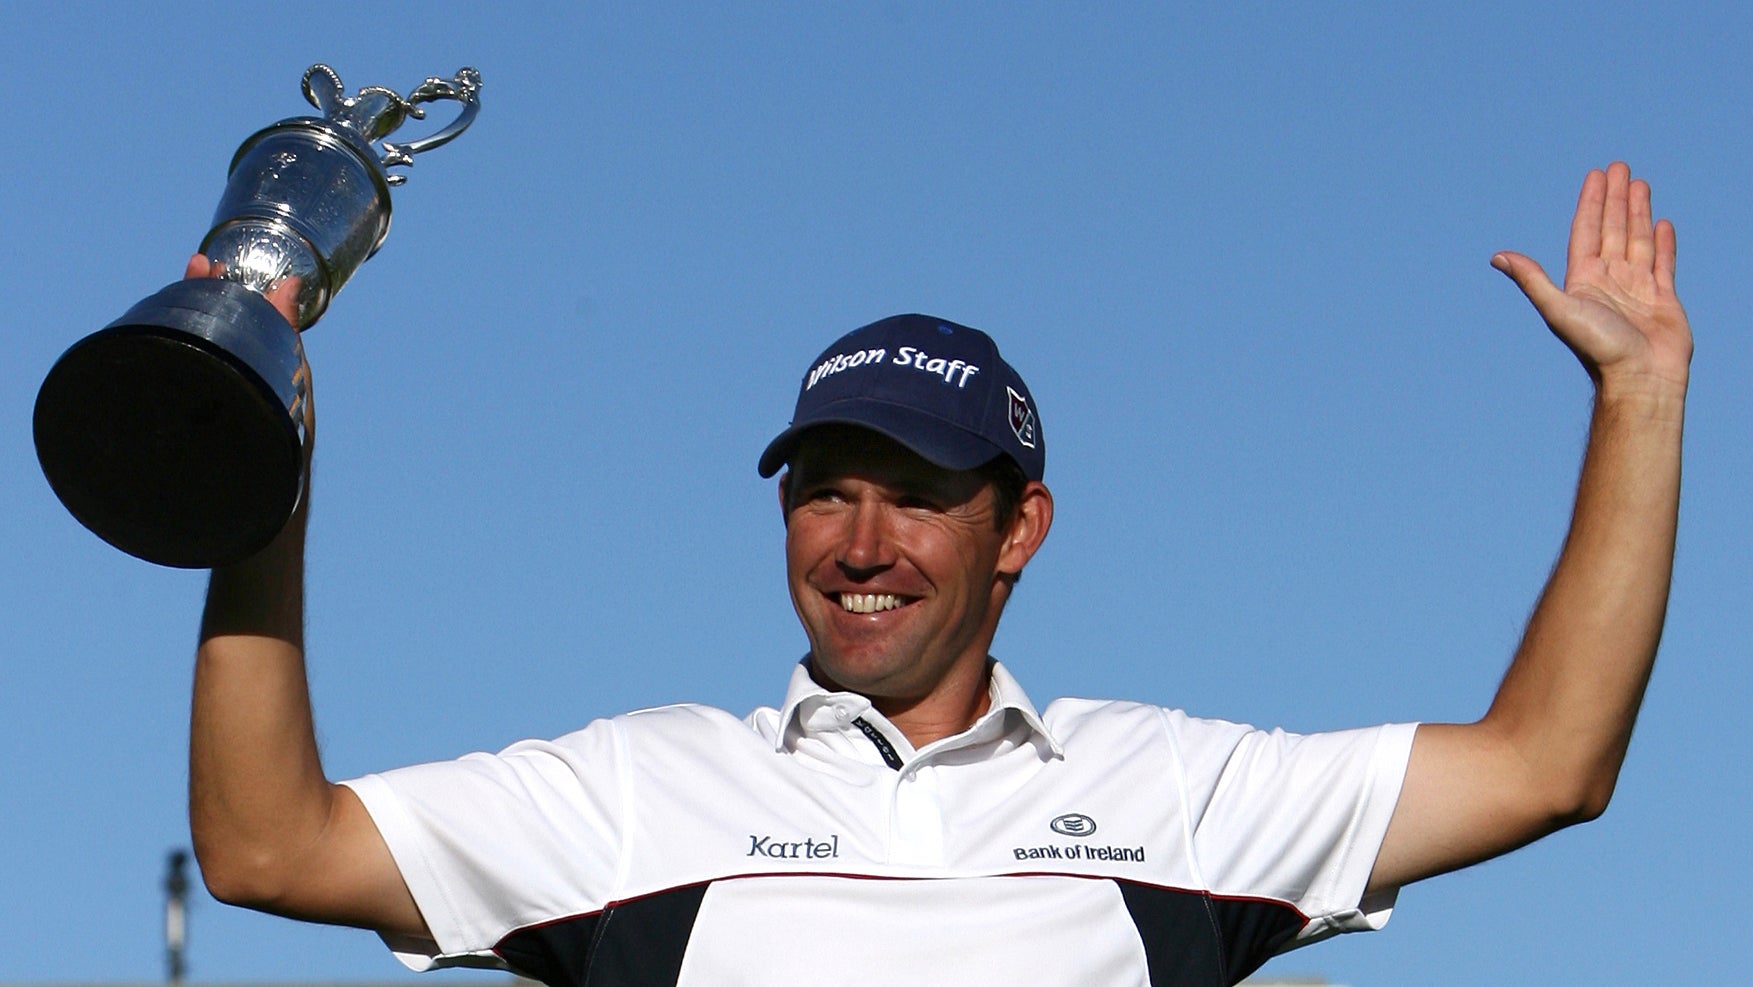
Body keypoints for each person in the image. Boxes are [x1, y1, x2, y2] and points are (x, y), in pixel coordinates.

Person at [188, 162, 1689, 985]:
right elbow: (266, 849)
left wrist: (1635, 401)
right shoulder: (634, 794)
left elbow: (1545, 764)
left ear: (1015, 531)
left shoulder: (1177, 790)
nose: (856, 545)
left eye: (912, 498)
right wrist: (257, 459)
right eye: (823, 495)